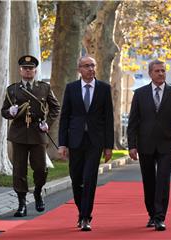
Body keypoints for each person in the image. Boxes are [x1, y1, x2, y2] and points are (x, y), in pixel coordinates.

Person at [127, 59, 171, 231]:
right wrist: (132, 145)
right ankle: (152, 214)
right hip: (144, 144)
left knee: (163, 181)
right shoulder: (139, 94)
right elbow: (133, 122)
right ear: (150, 73)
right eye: (157, 71)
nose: (161, 73)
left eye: (163, 70)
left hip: (166, 146)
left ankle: (160, 217)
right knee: (149, 182)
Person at [58, 56, 114, 231]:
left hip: (95, 142)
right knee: (76, 180)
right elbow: (65, 117)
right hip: (75, 141)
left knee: (90, 179)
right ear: (79, 69)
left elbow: (108, 119)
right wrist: (62, 143)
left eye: (93, 65)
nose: (90, 69)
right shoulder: (71, 88)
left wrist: (108, 146)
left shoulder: (104, 89)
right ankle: (81, 210)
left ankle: (85, 217)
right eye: (86, 66)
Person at [1, 55, 60, 217]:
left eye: (31, 68)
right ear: (20, 70)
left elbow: (55, 108)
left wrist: (48, 123)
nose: (28, 71)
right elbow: (3, 111)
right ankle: (21, 204)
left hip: (38, 133)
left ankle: (38, 192)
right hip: (19, 134)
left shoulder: (44, 88)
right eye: (25, 68)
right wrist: (10, 112)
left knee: (41, 168)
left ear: (35, 70)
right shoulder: (12, 89)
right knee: (19, 170)